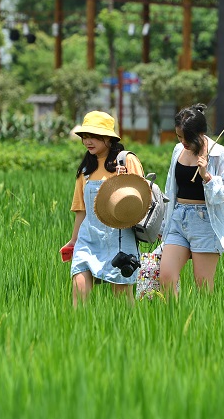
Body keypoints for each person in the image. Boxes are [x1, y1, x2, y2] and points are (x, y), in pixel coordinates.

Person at [62, 110, 144, 306]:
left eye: (94, 136)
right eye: (85, 137)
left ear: (108, 138)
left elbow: (141, 200)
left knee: (122, 299)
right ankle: (78, 325)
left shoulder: (127, 160)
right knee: (79, 290)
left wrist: (124, 181)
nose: (88, 141)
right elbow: (82, 210)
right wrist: (73, 241)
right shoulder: (85, 170)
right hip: (88, 238)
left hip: (119, 237)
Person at [159, 104, 224, 295]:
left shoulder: (218, 153)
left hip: (204, 221)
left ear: (200, 133)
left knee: (203, 284)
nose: (183, 141)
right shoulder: (178, 150)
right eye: (179, 136)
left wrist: (206, 176)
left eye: (187, 137)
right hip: (178, 217)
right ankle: (174, 314)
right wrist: (164, 223)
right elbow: (171, 188)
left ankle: (204, 316)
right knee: (166, 277)